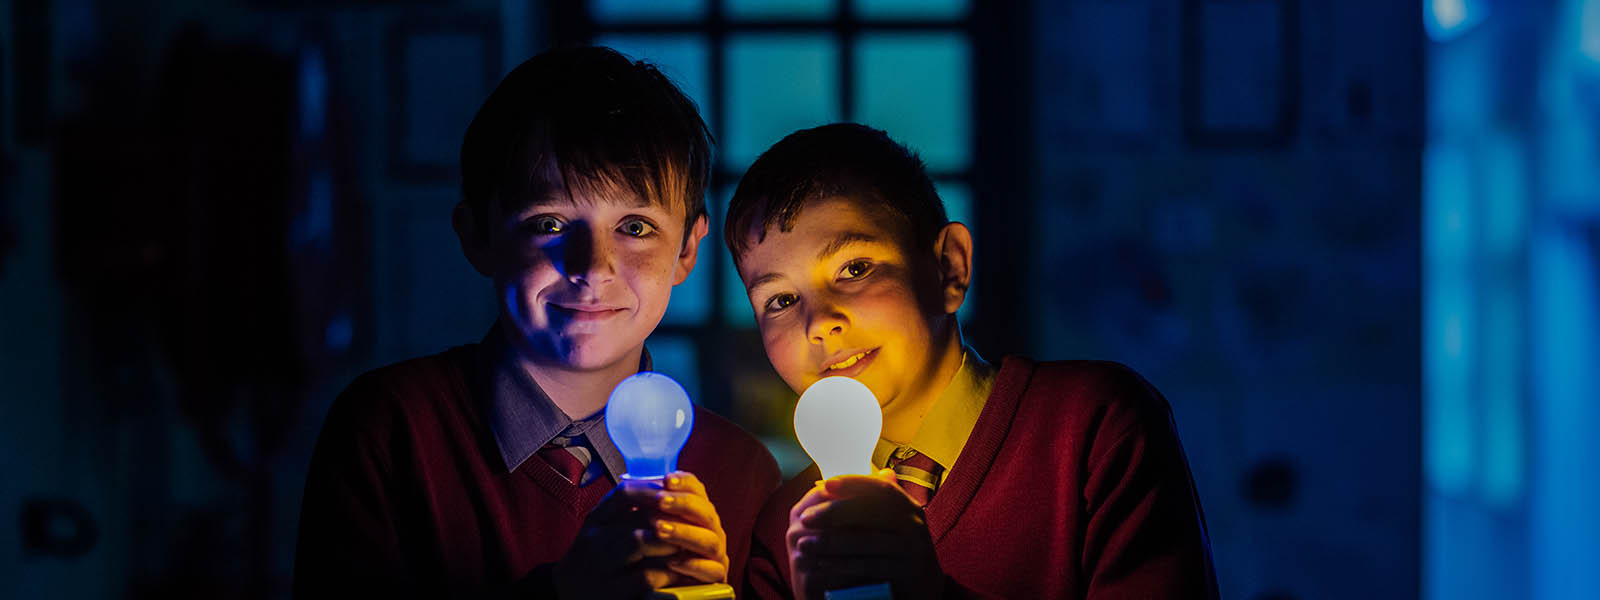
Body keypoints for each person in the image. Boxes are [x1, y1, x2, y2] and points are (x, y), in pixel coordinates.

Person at [293, 47, 780, 599]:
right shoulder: (391, 429)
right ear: (477, 236)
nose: (593, 267)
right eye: (549, 222)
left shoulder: (742, 474)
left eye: (636, 227)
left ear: (688, 249)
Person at [727, 123, 1219, 598]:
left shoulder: (1094, 427)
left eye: (854, 269)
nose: (819, 323)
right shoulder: (787, 534)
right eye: (780, 301)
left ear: (949, 268)